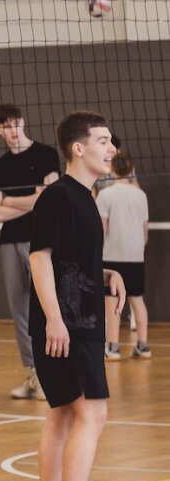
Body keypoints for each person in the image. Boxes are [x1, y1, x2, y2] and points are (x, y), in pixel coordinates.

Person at [28, 111, 125, 481]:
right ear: (78, 148)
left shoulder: (85, 197)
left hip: (75, 322)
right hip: (67, 325)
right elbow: (39, 257)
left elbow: (69, 263)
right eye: (103, 141)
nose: (112, 148)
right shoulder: (58, 196)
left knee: (64, 413)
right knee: (93, 412)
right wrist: (54, 318)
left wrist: (106, 275)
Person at [0, 104, 61, 399]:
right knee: (19, 310)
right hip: (9, 242)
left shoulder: (46, 155)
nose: (12, 129)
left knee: (46, 307)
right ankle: (33, 375)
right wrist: (32, 198)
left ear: (22, 122)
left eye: (15, 123)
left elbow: (50, 199)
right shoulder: (0, 167)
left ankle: (53, 374)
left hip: (41, 241)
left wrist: (10, 200)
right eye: (6, 125)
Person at [96, 150, 150, 359]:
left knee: (112, 302)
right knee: (137, 300)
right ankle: (143, 346)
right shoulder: (141, 195)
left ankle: (112, 347)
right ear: (132, 169)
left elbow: (101, 229)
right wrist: (138, 247)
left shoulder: (105, 195)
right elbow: (145, 230)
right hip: (135, 257)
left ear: (111, 169)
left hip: (112, 258)